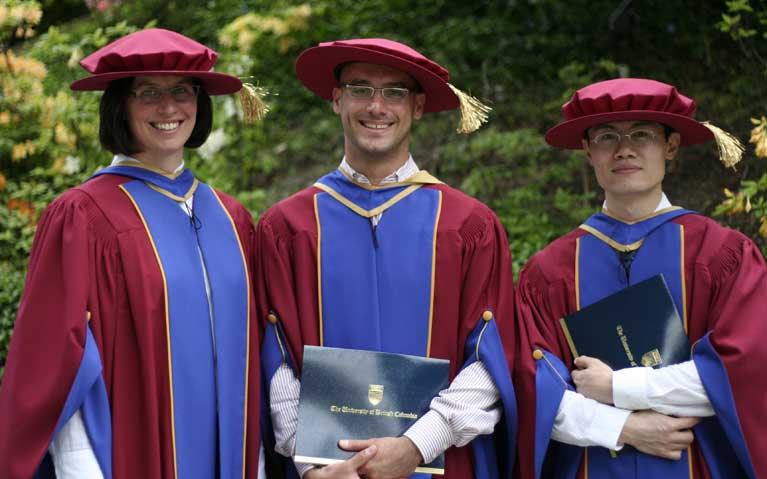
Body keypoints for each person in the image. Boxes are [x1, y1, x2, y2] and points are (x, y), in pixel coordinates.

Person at [0, 28, 264, 479]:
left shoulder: (231, 217)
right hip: (127, 458)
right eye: (148, 93)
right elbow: (58, 361)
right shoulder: (83, 216)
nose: (168, 107)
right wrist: (79, 466)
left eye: (182, 91)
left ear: (199, 104)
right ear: (120, 105)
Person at [255, 38, 517, 479]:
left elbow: (491, 356)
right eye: (360, 89)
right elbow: (274, 360)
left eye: (394, 92)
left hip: (441, 464)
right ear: (337, 100)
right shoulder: (287, 227)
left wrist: (418, 445)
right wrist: (314, 465)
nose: (377, 106)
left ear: (417, 106)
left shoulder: (467, 225)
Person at [514, 78, 766, 478]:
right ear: (588, 150)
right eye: (607, 136)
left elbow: (746, 372)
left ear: (671, 146)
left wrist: (617, 388)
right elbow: (533, 391)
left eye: (642, 134)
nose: (624, 148)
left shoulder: (721, 255)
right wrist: (624, 428)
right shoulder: (550, 272)